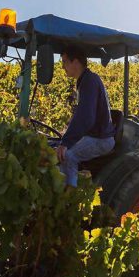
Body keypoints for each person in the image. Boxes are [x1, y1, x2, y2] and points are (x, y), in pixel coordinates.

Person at [56, 45, 116, 187]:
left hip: (101, 139)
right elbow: (81, 116)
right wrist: (65, 137)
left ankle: (69, 200)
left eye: (65, 62)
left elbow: (86, 118)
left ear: (75, 62)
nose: (63, 66)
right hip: (93, 135)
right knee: (57, 147)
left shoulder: (89, 81)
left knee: (68, 156)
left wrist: (66, 143)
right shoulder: (85, 80)